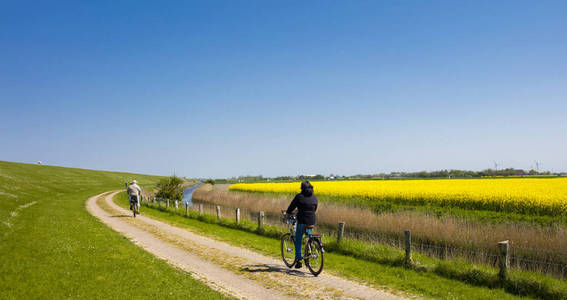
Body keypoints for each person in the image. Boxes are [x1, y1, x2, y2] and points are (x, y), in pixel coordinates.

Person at [285, 181, 318, 269]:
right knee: (308, 236)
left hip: (302, 220)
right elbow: (315, 208)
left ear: (302, 188)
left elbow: (292, 206)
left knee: (298, 239)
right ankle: (309, 251)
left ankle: (299, 260)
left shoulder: (299, 196)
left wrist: (287, 212)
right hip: (312, 220)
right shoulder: (314, 197)